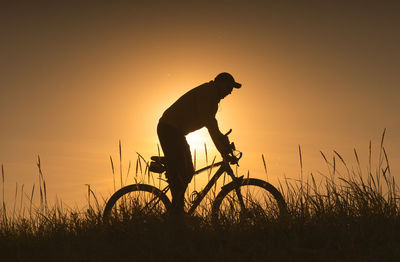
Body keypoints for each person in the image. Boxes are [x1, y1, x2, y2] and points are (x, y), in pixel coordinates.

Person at [157, 72, 242, 222]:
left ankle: (176, 213)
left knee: (188, 171)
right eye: (229, 87)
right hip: (170, 129)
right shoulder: (207, 92)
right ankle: (176, 215)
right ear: (220, 83)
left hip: (176, 132)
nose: (230, 92)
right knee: (182, 171)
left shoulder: (213, 99)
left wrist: (223, 143)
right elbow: (209, 122)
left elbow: (212, 124)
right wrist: (222, 148)